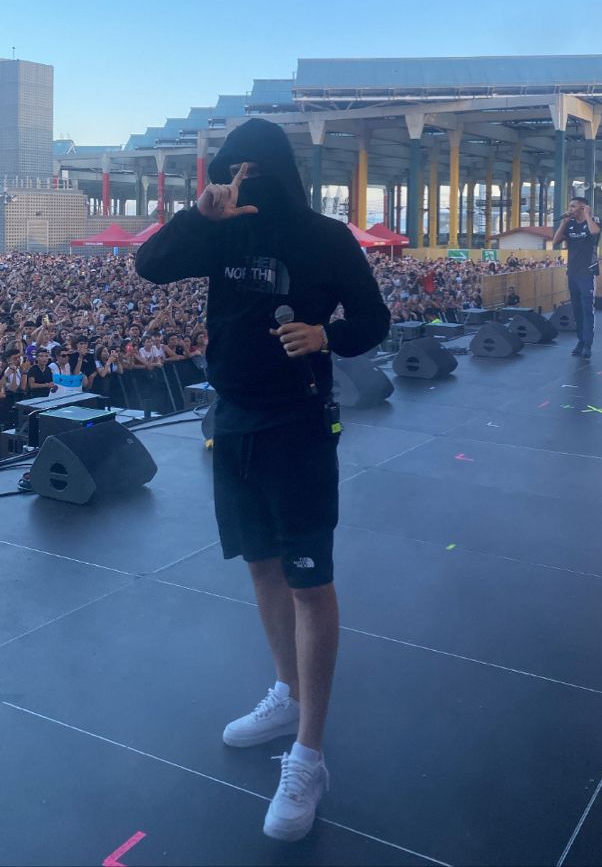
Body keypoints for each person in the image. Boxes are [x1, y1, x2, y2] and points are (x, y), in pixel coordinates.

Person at [136, 118, 390, 843]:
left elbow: (373, 318)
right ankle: (287, 691)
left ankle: (309, 755)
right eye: (228, 171)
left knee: (311, 583)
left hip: (300, 425)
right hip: (233, 420)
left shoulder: (326, 238)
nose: (239, 182)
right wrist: (197, 215)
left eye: (249, 171)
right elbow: (147, 268)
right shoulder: (217, 231)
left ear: (275, 169)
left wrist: (325, 337)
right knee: (261, 567)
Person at [552, 196, 602, 358]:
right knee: (577, 310)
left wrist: (587, 214)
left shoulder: (593, 221)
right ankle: (580, 340)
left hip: (587, 272)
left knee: (587, 310)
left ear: (583, 208)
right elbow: (555, 241)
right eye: (570, 206)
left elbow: (595, 232)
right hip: (572, 272)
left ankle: (588, 343)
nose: (570, 209)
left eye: (574, 206)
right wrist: (564, 223)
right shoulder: (570, 224)